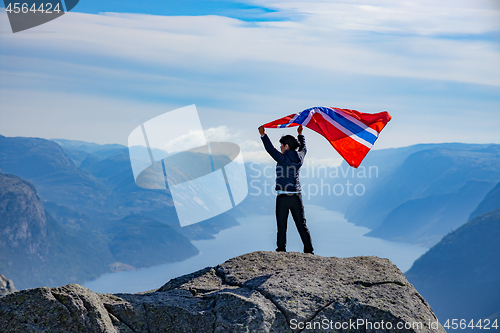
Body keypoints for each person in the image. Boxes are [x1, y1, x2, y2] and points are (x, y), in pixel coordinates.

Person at [258, 125, 314, 254]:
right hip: (296, 197)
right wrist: (300, 135)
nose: (280, 148)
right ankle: (309, 251)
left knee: (281, 226)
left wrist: (263, 135)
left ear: (287, 146)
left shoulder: (282, 159)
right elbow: (303, 148)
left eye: (282, 145)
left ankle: (281, 249)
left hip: (283, 197)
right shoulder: (300, 157)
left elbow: (269, 149)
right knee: (302, 225)